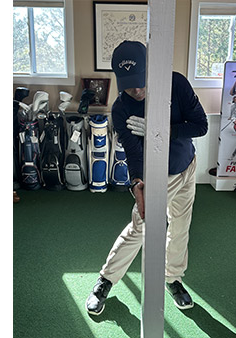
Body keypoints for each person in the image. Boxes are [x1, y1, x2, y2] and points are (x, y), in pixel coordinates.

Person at [85, 40, 208, 315]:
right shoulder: (121, 109)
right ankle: (105, 280)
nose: (137, 90)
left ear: (150, 69)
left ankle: (173, 278)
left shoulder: (176, 84)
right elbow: (133, 152)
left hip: (187, 165)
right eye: (129, 85)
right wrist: (137, 183)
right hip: (157, 175)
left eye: (140, 81)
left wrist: (162, 129)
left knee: (180, 226)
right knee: (139, 228)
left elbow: (201, 125)